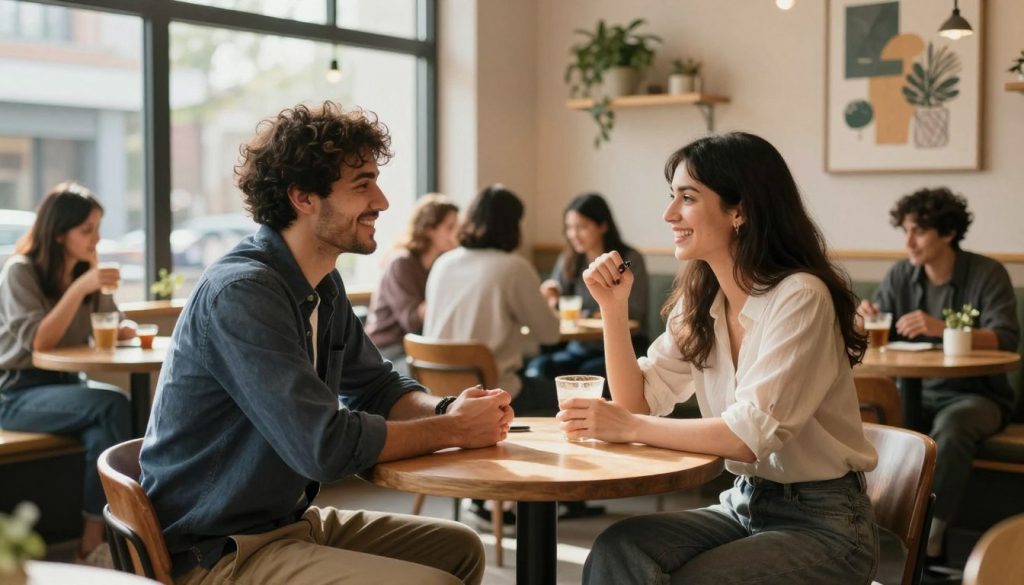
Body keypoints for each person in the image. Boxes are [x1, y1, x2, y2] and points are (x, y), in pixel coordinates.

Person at [139, 102, 512, 585]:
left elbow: (377, 388)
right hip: (218, 549)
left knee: (457, 548)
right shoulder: (243, 292)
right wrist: (455, 431)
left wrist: (446, 410)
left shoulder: (321, 282)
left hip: (283, 524)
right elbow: (324, 446)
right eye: (362, 185)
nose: (381, 201)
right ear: (303, 198)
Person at [559, 132, 880, 584]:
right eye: (672, 198)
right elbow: (636, 402)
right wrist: (612, 309)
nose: (669, 214)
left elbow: (748, 437)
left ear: (740, 210)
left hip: (826, 524)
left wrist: (627, 427)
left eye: (687, 198)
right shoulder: (701, 301)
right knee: (619, 547)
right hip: (745, 502)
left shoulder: (801, 297)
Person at [857, 187, 1018, 561]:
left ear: (947, 233)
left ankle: (927, 535)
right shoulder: (901, 274)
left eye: (919, 232)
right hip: (912, 390)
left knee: (953, 425)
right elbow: (879, 327)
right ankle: (866, 527)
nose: (908, 242)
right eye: (905, 231)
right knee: (870, 415)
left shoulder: (986, 274)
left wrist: (941, 328)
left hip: (978, 396)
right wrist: (863, 319)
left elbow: (1007, 337)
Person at [0, 181, 135, 566]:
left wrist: (115, 318)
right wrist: (80, 288)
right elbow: (39, 342)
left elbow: (112, 321)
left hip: (67, 389)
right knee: (111, 405)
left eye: (97, 229)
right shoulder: (20, 272)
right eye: (86, 230)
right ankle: (97, 540)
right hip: (16, 394)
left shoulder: (83, 271)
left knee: (106, 425)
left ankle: (91, 545)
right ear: (59, 234)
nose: (95, 239)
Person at [528, 192, 649, 379]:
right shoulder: (569, 259)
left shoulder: (628, 260)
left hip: (621, 347)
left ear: (602, 225)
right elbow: (557, 300)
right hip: (578, 347)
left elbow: (633, 313)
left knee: (588, 373)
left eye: (581, 227)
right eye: (569, 228)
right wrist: (551, 297)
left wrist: (584, 313)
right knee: (539, 367)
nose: (573, 235)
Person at [365, 194, 459, 375]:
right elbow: (411, 320)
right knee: (439, 378)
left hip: (418, 348)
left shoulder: (441, 263)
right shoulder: (401, 262)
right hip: (388, 350)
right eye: (450, 228)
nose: (456, 234)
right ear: (429, 229)